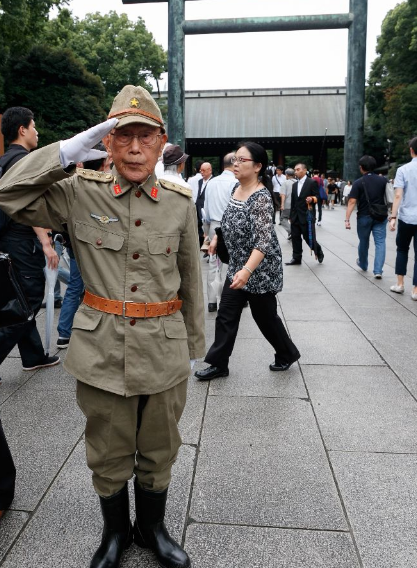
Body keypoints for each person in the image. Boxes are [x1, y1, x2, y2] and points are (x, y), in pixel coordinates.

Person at [0, 85, 205, 568]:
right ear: (107, 144)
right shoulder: (76, 193)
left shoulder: (178, 202)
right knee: (108, 449)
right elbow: (8, 194)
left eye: (145, 137)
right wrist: (67, 152)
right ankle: (115, 532)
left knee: (159, 447)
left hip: (163, 348)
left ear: (162, 142)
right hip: (102, 349)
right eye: (123, 137)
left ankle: (151, 528)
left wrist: (194, 347)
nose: (135, 148)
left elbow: (191, 277)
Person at [194, 141, 300, 381]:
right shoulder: (235, 189)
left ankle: (286, 352)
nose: (236, 164)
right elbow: (229, 221)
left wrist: (247, 271)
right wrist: (215, 239)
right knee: (226, 315)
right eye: (235, 159)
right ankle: (218, 364)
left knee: (265, 317)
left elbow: (263, 242)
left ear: (258, 166)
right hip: (239, 265)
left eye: (242, 160)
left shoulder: (261, 198)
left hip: (259, 270)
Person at [0, 106, 60, 373]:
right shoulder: (24, 161)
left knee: (19, 298)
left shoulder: (3, 160)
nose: (37, 132)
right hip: (22, 241)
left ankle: (33, 355)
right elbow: (31, 205)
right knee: (28, 300)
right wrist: (46, 243)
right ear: (22, 130)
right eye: (33, 127)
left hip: (7, 240)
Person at [56, 144, 112, 349]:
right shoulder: (97, 185)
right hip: (90, 243)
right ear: (104, 162)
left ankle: (68, 331)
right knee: (81, 286)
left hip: (74, 240)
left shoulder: (72, 182)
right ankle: (66, 331)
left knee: (77, 286)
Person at [345, 155, 388, 279]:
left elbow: (352, 202)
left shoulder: (358, 182)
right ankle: (378, 270)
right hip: (380, 215)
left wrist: (347, 219)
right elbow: (389, 198)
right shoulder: (383, 180)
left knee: (363, 242)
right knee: (380, 242)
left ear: (361, 167)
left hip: (364, 216)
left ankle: (363, 264)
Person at [204, 152, 237, 312]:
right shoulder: (235, 182)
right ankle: (232, 297)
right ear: (234, 163)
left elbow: (206, 210)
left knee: (213, 263)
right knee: (234, 262)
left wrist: (206, 230)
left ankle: (211, 301)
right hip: (230, 225)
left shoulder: (211, 182)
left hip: (213, 225)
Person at [389, 137, 417, 300]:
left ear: (411, 150)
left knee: (402, 249)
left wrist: (393, 216)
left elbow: (398, 195)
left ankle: (400, 284)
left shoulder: (403, 170)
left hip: (406, 217)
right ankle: (416, 290)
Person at [285, 163, 324, 265]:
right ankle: (296, 258)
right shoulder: (294, 185)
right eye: (295, 170)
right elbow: (293, 201)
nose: (295, 171)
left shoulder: (311, 182)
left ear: (304, 170)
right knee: (295, 237)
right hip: (295, 216)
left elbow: (318, 197)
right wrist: (290, 215)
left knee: (308, 237)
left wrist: (312, 199)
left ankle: (318, 251)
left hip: (307, 215)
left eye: (298, 169)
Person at [195, 162, 213, 247]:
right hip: (198, 207)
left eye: (203, 170)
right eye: (200, 170)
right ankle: (201, 245)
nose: (201, 172)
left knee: (207, 228)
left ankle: (208, 247)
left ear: (210, 170)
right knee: (199, 226)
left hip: (207, 208)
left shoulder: (213, 181)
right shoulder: (199, 181)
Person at [280, 167, 296, 239]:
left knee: (283, 219)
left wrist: (282, 205)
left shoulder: (285, 183)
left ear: (286, 175)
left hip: (288, 205)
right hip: (296, 206)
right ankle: (294, 233)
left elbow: (283, 195)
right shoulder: (297, 182)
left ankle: (291, 231)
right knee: (293, 219)